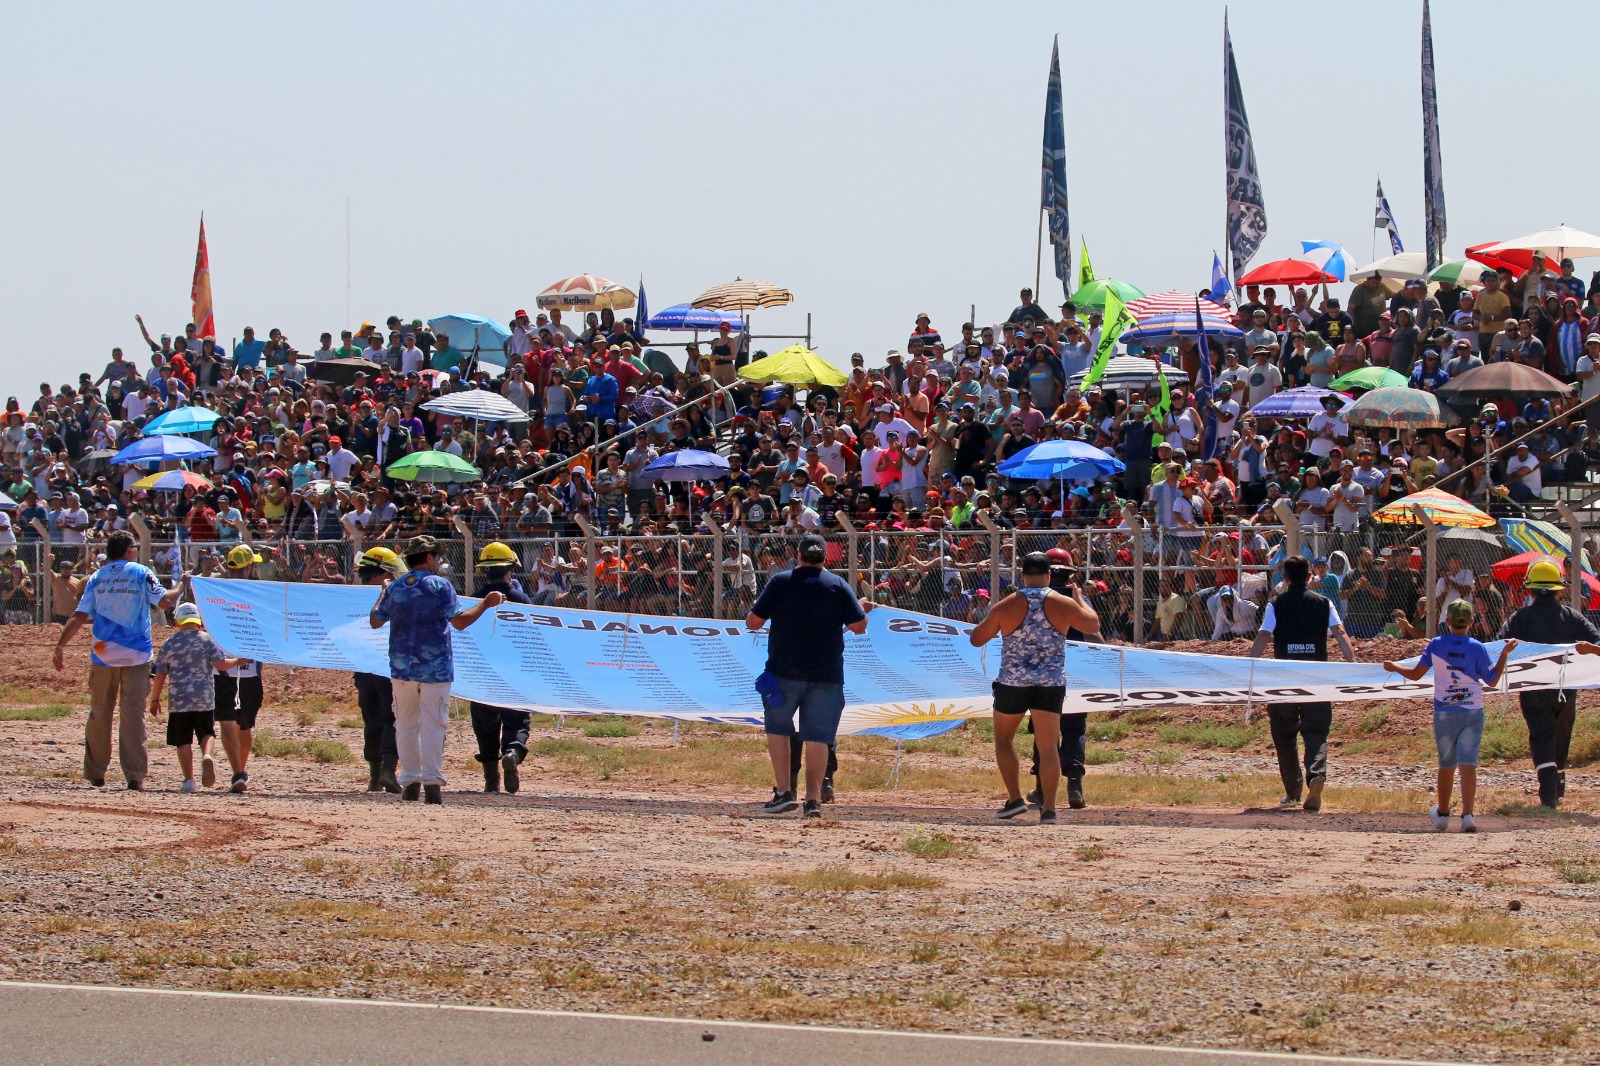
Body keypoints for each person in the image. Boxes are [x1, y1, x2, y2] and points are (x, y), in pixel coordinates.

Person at [967, 552, 1100, 824]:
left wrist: (999, 621)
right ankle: (1049, 809)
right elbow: (1093, 625)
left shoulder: (1007, 605)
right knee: (1048, 745)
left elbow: (977, 639)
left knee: (1004, 740)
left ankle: (1015, 799)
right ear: (1049, 575)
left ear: (1022, 576)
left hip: (1012, 682)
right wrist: (1078, 598)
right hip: (1050, 683)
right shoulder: (1062, 603)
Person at [369, 535, 503, 804]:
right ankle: (431, 782)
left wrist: (382, 594)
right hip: (436, 668)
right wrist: (485, 604)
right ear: (429, 557)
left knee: (405, 724)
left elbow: (375, 621)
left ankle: (410, 781)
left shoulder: (395, 588)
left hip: (402, 667)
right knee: (434, 725)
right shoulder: (440, 585)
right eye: (438, 557)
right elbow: (460, 621)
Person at [745, 533, 869, 819]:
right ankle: (813, 800)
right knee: (818, 737)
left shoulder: (780, 582)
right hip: (826, 674)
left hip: (784, 671)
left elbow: (753, 622)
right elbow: (859, 626)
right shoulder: (837, 585)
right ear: (824, 558)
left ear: (798, 556)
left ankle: (784, 792)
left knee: (778, 729)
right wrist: (863, 608)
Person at [52, 530, 182, 789]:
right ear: (129, 550)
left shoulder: (96, 578)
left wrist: (60, 645)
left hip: (103, 656)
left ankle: (96, 773)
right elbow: (165, 603)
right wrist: (182, 585)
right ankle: (134, 776)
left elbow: (79, 615)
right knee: (133, 716)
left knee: (100, 713)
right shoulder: (141, 572)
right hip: (136, 656)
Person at [1384, 600, 1518, 833]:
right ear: (1471, 622)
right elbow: (1492, 679)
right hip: (1472, 710)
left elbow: (1416, 674)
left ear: (1447, 622)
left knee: (1446, 764)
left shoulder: (1436, 644)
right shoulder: (1477, 647)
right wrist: (1504, 654)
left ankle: (1443, 813)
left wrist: (1395, 667)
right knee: (1468, 764)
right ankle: (1468, 815)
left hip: (1445, 711)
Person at [1249, 555, 1355, 812]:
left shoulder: (1276, 604)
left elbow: (1264, 636)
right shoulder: (1324, 602)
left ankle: (1293, 792)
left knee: (1284, 734)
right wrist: (1353, 663)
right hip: (1317, 677)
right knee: (1316, 732)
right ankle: (1316, 776)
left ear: (1284, 578)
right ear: (1310, 576)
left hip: (1283, 678)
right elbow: (1340, 633)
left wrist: (1248, 666)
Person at [1495, 557, 1600, 808]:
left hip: (1533, 689)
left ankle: (1548, 795)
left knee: (1541, 735)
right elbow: (1596, 644)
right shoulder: (1572, 617)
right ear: (1558, 589)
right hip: (1565, 689)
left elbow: (1500, 644)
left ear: (1528, 589)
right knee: (1561, 734)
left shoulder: (1520, 617)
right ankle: (1558, 785)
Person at [150, 603, 248, 794]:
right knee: (207, 733)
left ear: (177, 621)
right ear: (198, 621)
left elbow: (160, 674)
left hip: (179, 700)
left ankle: (188, 780)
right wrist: (238, 661)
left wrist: (155, 700)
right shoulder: (206, 640)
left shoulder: (169, 643)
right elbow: (221, 665)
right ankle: (207, 755)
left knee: (183, 740)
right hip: (204, 697)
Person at [470, 541, 533, 795]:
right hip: (514, 670)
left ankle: (491, 780)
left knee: (485, 721)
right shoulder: (521, 599)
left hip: (483, 671)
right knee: (517, 718)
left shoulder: (475, 600)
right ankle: (513, 752)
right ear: (510, 569)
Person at [215, 545, 266, 794]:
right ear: (249, 567)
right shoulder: (257, 594)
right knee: (243, 725)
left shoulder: (215, 591)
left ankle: (238, 771)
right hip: (244, 672)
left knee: (231, 722)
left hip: (223, 670)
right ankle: (239, 771)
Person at [353, 547, 403, 794]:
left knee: (372, 720)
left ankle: (376, 774)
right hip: (386, 668)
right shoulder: (393, 596)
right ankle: (386, 771)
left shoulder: (351, 597)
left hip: (363, 669)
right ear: (381, 575)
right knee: (389, 719)